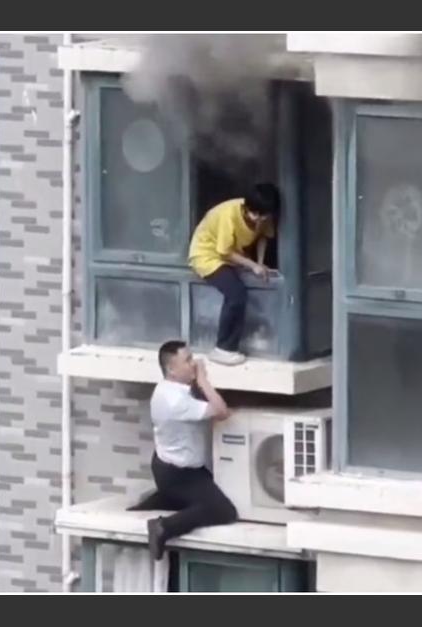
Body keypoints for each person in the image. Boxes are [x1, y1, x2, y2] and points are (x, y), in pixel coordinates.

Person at [143, 340, 237, 561]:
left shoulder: (164, 389)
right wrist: (203, 379)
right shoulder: (175, 400)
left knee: (212, 487)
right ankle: (163, 527)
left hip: (171, 466)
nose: (193, 364)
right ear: (171, 369)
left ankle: (166, 498)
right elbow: (221, 411)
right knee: (223, 510)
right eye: (187, 361)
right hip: (179, 474)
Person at [188, 183, 280, 366]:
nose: (259, 219)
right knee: (236, 294)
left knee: (246, 288)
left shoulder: (263, 217)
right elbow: (224, 252)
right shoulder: (228, 214)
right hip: (207, 255)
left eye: (264, 215)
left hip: (233, 256)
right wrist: (253, 265)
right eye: (255, 214)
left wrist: (260, 263)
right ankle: (223, 348)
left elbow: (263, 237)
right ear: (245, 208)